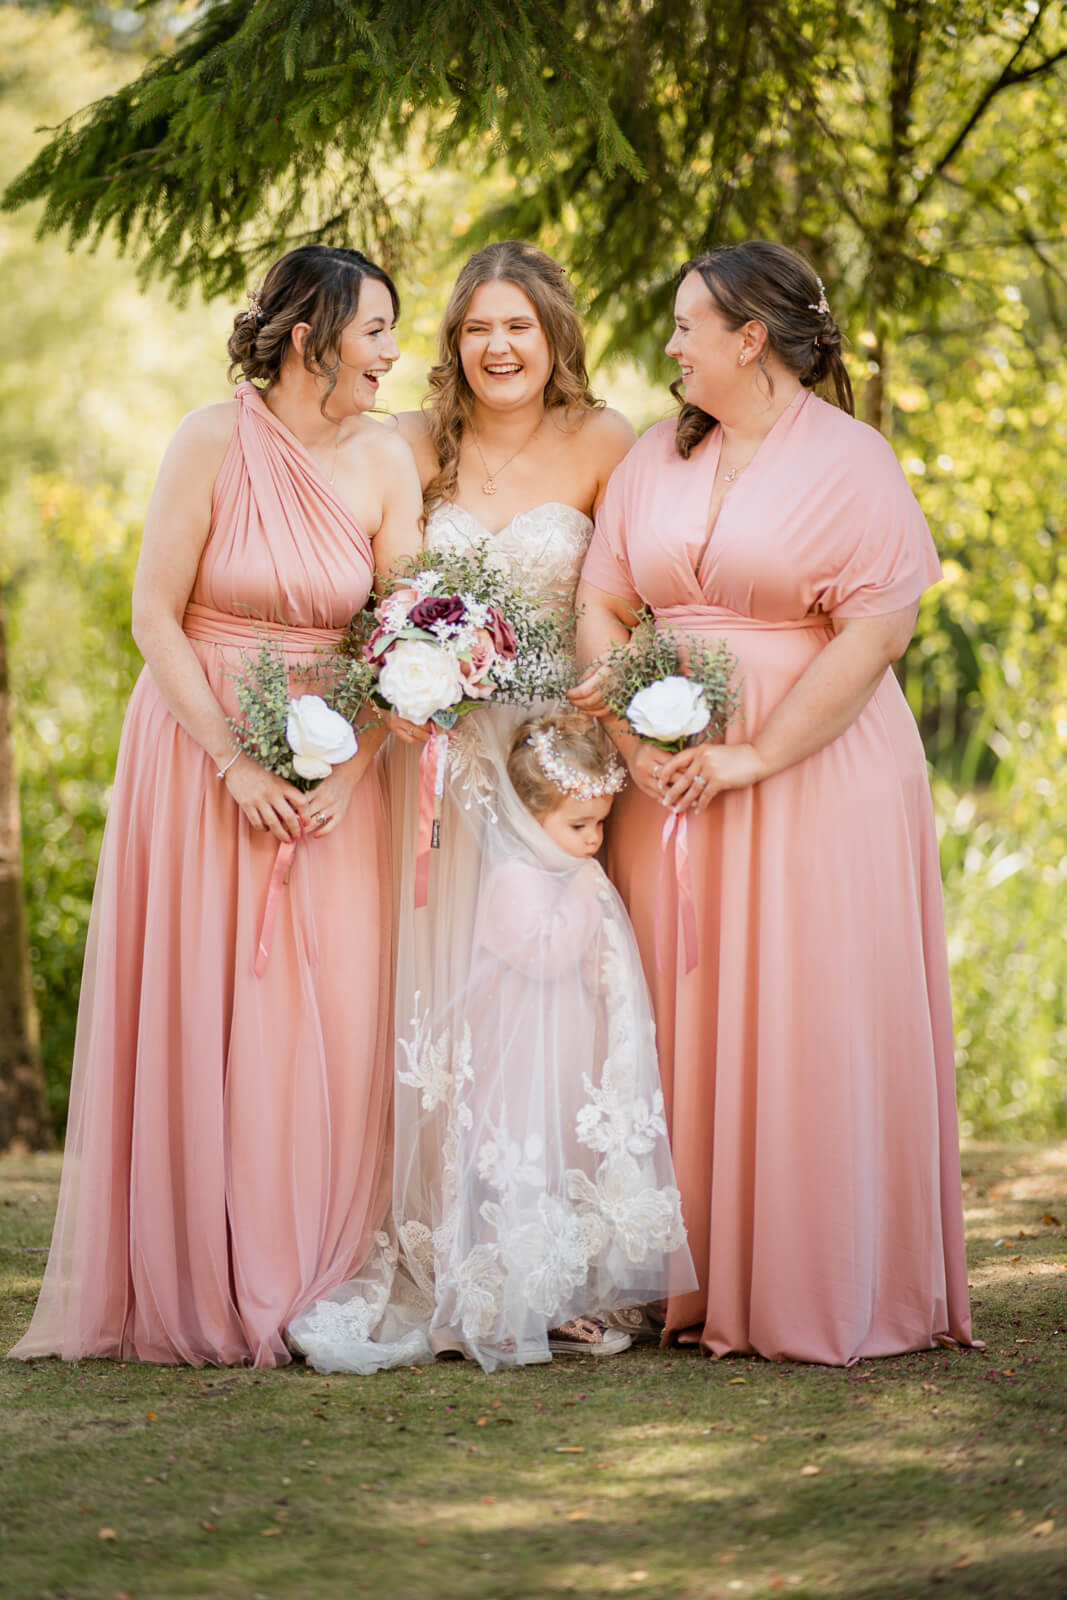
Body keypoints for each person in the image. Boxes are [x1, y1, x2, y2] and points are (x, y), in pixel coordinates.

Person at [10, 245, 422, 1367]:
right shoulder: (209, 438)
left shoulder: (386, 461)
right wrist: (234, 763)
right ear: (310, 335)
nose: (392, 352)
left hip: (336, 760)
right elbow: (155, 614)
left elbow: (405, 643)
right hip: (198, 746)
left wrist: (344, 769)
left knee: (322, 1011)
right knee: (204, 999)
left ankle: (307, 1268)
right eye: (375, 329)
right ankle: (200, 1264)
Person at [571, 239, 974, 1365]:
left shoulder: (851, 461)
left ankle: (807, 1277)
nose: (669, 344)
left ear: (748, 339)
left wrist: (754, 756)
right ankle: (673, 1275)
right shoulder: (655, 455)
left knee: (802, 1003)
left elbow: (873, 635)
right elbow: (601, 603)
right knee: (671, 1010)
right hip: (668, 776)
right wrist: (630, 727)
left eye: (686, 324)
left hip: (816, 774)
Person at [289, 713, 694, 1372]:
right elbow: (542, 954)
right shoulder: (512, 880)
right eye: (578, 826)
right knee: (514, 1186)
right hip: (511, 1078)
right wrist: (586, 903)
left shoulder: (562, 874)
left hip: (556, 1067)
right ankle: (501, 1307)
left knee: (558, 1178)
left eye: (598, 825)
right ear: (526, 815)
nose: (593, 840)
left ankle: (551, 1297)